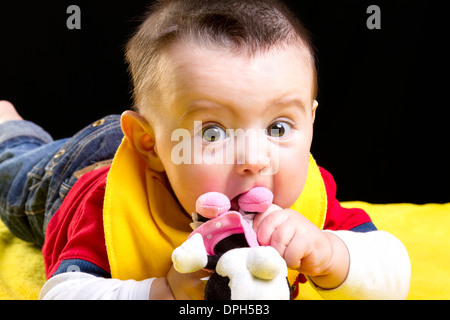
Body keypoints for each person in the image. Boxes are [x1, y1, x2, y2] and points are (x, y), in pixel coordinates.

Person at [0, 0, 410, 300]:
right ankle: (8, 124)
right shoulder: (106, 209)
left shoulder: (307, 198)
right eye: (213, 133)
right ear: (152, 144)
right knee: (15, 165)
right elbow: (63, 294)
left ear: (311, 123)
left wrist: (329, 254)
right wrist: (163, 292)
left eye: (278, 127)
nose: (254, 158)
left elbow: (394, 271)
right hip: (75, 174)